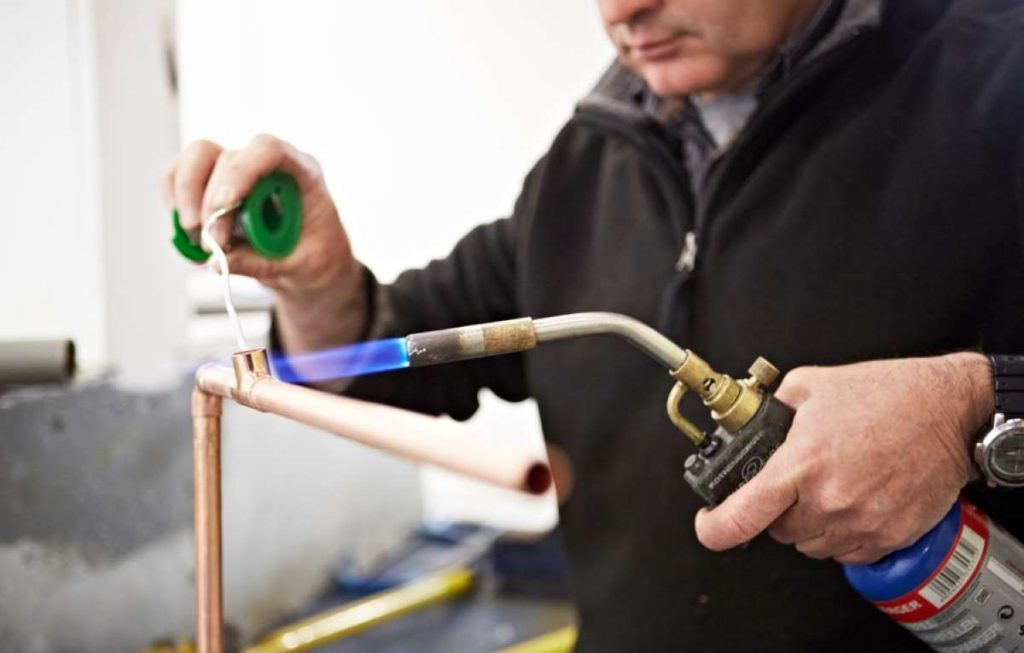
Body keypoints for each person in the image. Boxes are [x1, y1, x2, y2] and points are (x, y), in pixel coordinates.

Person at [163, 0, 1024, 649]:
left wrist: (970, 405)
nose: (620, 10)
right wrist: (314, 289)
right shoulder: (587, 162)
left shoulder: (996, 77)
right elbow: (386, 363)